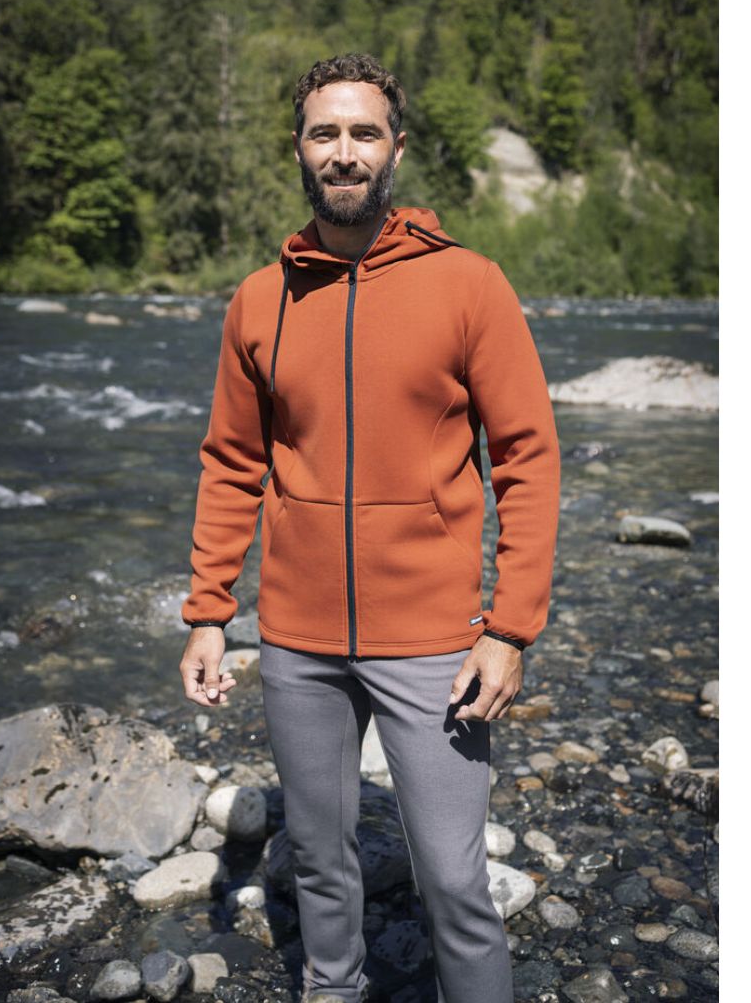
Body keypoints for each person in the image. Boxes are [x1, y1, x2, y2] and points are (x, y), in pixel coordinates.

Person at [179, 53, 561, 1003]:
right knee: (318, 865)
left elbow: (527, 459)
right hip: (297, 641)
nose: (343, 153)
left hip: (435, 643)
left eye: (363, 133)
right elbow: (232, 463)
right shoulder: (259, 300)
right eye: (325, 133)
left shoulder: (469, 284)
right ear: (299, 149)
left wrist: (510, 629)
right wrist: (209, 612)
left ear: (396, 147)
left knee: (455, 885)